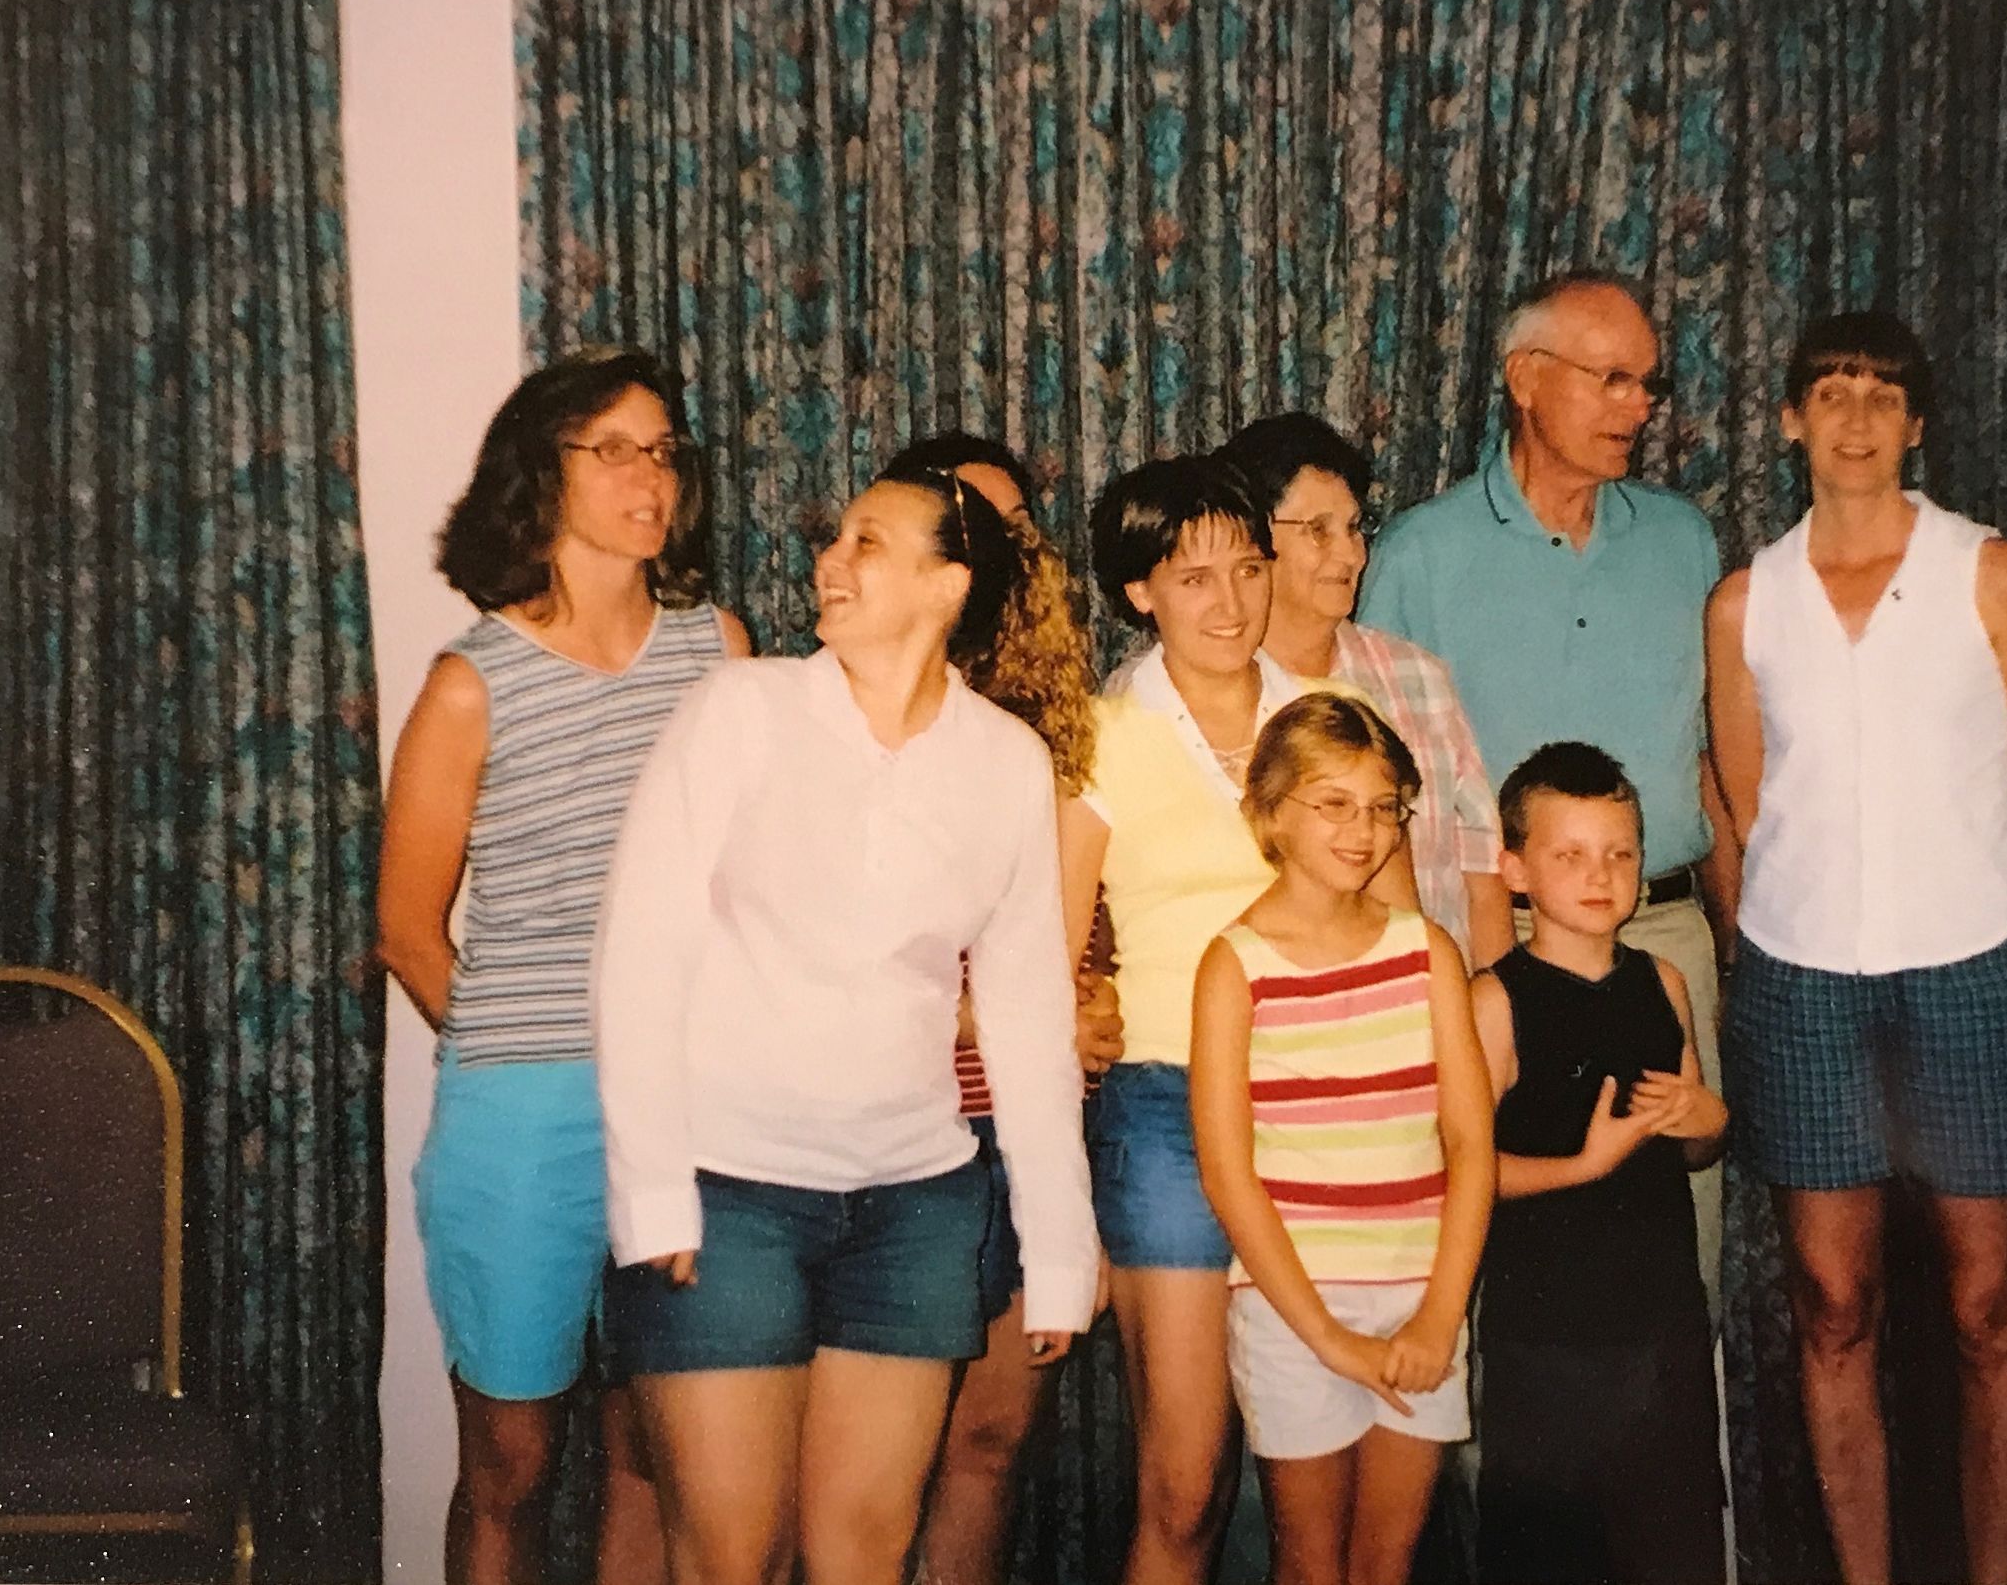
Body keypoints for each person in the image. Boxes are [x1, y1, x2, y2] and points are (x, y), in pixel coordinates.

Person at [593, 461, 1101, 1585]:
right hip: (726, 1191)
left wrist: (1061, 1248)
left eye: (869, 541)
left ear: (948, 584)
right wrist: (652, 1189)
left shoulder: (1007, 762)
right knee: (733, 1557)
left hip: (913, 1209)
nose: (830, 558)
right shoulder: (742, 708)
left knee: (863, 1556)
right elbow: (640, 953)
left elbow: (1027, 1016)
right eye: (836, 537)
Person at [1706, 311, 2007, 1585]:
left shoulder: (1991, 575)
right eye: (1832, 392)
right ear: (1790, 420)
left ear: (1916, 425)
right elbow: (1743, 808)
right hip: (1804, 987)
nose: (1858, 418)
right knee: (1833, 1309)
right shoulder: (1746, 602)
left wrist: (1984, 918)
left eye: (1884, 396)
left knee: (1987, 1313)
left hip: (1979, 977)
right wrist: (1778, 941)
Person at [377, 348, 751, 1585]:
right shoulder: (472, 682)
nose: (652, 476)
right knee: (514, 1462)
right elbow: (408, 929)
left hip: (693, 1108)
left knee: (659, 1448)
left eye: (665, 450)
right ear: (542, 474)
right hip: (525, 1116)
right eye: (616, 450)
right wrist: (526, 1044)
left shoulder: (718, 650)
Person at [1059, 456, 1422, 1585]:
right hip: (1169, 1107)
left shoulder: (1336, 722)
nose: (1230, 603)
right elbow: (1051, 961)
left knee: (1330, 1475)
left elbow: (1401, 939)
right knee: (1186, 1478)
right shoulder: (1098, 735)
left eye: (1249, 569)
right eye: (1194, 577)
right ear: (1139, 592)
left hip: (1327, 1110)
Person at [1358, 267, 1734, 1305]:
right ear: (1525, 378)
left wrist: (1729, 938)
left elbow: (1708, 758)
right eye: (1612, 379)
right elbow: (1376, 786)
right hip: (1495, 946)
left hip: (1662, 940)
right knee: (1497, 1244)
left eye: (1648, 383)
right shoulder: (1420, 554)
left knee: (1676, 1244)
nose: (1640, 407)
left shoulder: (1683, 542)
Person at [878, 432, 1118, 1585]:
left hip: (1021, 1128)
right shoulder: (852, 710)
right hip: (898, 1140)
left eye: (1012, 526)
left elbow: (1087, 920)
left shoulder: (1051, 720)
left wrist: (1098, 995)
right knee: (880, 1459)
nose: (994, 547)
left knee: (990, 1438)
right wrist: (1001, 1015)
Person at [1187, 692, 1492, 1585]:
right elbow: (1228, 1173)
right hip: (1296, 1312)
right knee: (1312, 1564)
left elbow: (1470, 1144)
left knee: (1387, 1562)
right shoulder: (1234, 966)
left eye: (1382, 807)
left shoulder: (1426, 951)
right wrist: (1325, 1335)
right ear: (1270, 811)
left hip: (1419, 1301)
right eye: (1334, 804)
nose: (1363, 830)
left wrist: (1440, 1313)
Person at [1470, 742, 1728, 1585]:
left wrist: (1707, 1121)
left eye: (1620, 853)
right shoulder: (1494, 999)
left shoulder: (1663, 981)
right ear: (1515, 869)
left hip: (1659, 1327)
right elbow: (1463, 1175)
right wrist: (1582, 1166)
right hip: (1547, 1337)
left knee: (1670, 1542)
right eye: (1570, 854)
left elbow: (1694, 1139)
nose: (1600, 874)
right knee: (1552, 1551)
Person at [1212, 412, 1513, 969]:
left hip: (1432, 996)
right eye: (1318, 530)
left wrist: (1493, 1005)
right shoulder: (1206, 691)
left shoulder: (1418, 678)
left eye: (1354, 528)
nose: (1352, 555)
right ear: (1251, 538)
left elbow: (1481, 870)